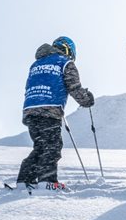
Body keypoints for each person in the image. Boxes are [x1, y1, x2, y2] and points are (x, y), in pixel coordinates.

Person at [13, 36, 95, 191]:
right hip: (49, 110)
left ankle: (25, 179)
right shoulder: (65, 63)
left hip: (31, 111)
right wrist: (86, 100)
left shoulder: (36, 64)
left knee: (40, 146)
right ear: (69, 51)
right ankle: (47, 180)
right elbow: (74, 87)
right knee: (52, 146)